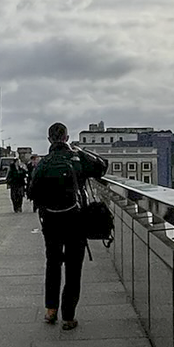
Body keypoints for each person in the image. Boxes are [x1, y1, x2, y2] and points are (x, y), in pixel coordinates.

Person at [28, 122, 108, 330]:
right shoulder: (76, 157)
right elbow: (102, 166)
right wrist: (79, 149)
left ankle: (50, 310)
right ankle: (69, 316)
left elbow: (32, 192)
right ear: (66, 137)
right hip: (75, 219)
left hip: (51, 221)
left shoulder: (44, 163)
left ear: (49, 140)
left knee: (53, 263)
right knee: (74, 267)